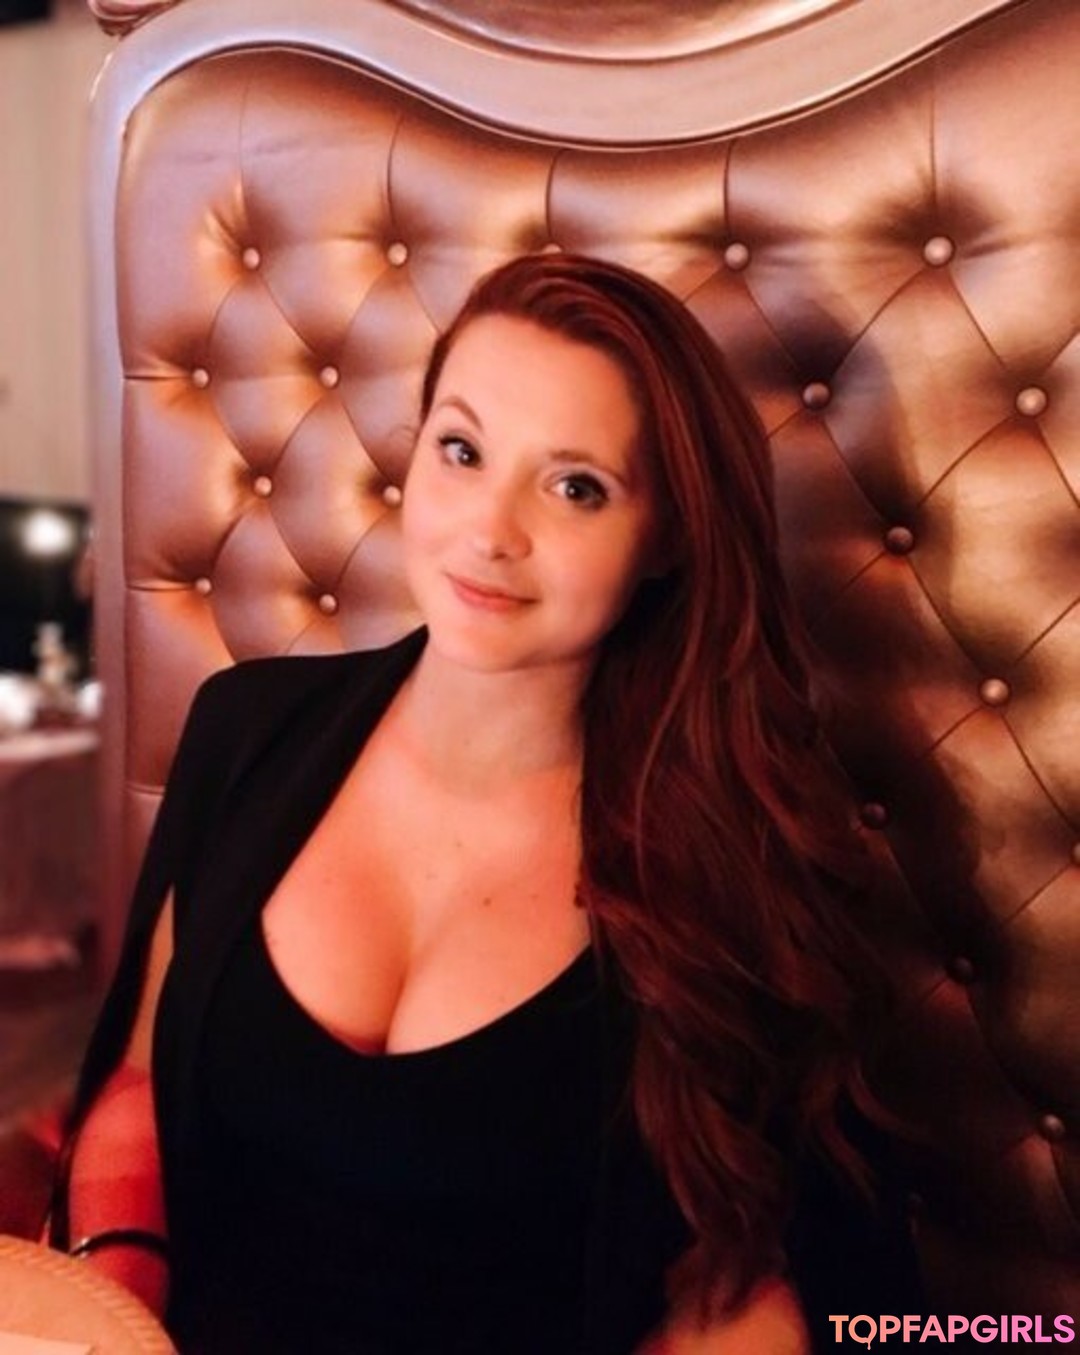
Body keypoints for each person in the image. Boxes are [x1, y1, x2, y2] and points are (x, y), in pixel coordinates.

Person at [52, 253, 919, 1353]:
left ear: (667, 538)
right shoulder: (245, 729)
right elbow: (138, 1080)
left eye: (575, 486)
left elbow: (768, 1282)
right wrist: (120, 1296)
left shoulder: (729, 856)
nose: (490, 531)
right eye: (461, 450)